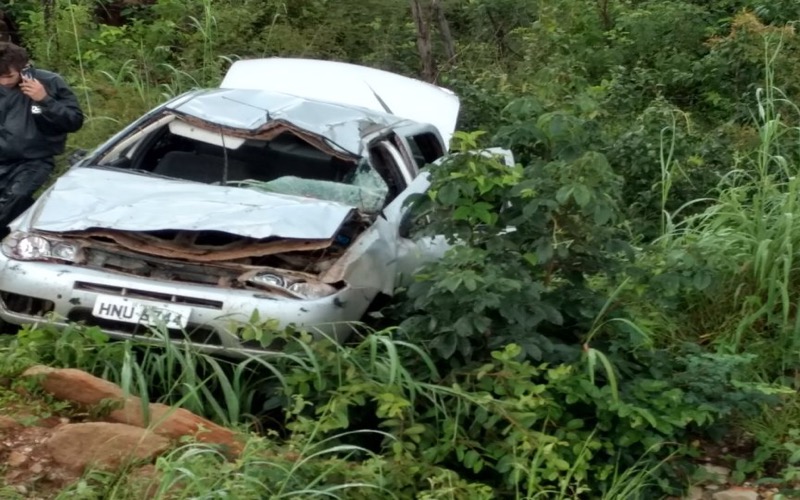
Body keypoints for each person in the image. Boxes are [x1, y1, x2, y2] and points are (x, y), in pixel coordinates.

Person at [0, 42, 83, 235]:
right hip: (2, 157)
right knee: (15, 207)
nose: (3, 82)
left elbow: (74, 121)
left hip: (35, 159)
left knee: (15, 198)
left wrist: (45, 100)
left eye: (8, 77)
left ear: (23, 68)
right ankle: (28, 225)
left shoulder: (50, 82)